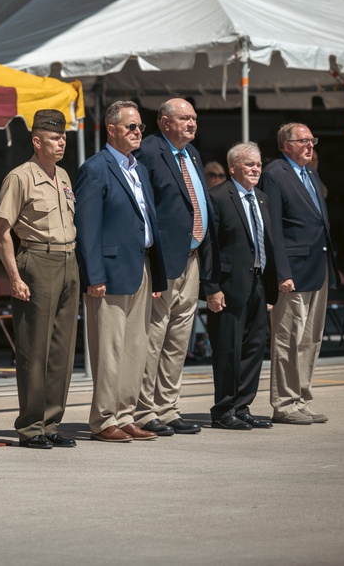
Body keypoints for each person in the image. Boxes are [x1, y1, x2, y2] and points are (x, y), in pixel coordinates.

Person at [75, 101, 166, 443]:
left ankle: (126, 413)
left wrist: (155, 273)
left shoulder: (139, 169)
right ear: (111, 130)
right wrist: (93, 275)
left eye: (140, 126)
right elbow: (87, 226)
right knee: (109, 349)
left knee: (135, 347)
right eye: (131, 127)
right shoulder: (96, 168)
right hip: (109, 271)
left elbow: (148, 221)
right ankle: (103, 419)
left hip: (140, 264)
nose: (138, 132)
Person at [0, 109, 80, 449]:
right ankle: (31, 426)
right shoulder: (20, 177)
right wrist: (14, 275)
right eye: (55, 137)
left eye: (63, 137)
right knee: (34, 348)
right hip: (37, 259)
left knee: (62, 349)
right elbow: (2, 232)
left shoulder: (63, 177)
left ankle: (51, 422)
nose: (61, 142)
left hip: (68, 259)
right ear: (36, 141)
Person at [133, 98, 209, 437]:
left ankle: (168, 406)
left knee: (179, 338)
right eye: (184, 118)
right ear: (164, 123)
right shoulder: (149, 152)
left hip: (191, 257)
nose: (192, 123)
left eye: (194, 118)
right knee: (154, 336)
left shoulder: (192, 154)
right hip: (162, 261)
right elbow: (145, 208)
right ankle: (144, 409)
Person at [259, 123, 336, 425]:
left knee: (310, 338)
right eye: (302, 141)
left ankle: (301, 397)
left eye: (312, 140)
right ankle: (285, 402)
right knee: (288, 337)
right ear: (285, 144)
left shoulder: (311, 174)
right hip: (292, 270)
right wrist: (281, 271)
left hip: (317, 266)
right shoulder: (275, 173)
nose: (310, 145)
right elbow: (273, 227)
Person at [202, 142, 282, 430]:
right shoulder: (219, 197)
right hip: (228, 286)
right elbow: (210, 246)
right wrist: (211, 287)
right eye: (249, 164)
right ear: (233, 167)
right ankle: (224, 410)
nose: (255, 169)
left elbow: (269, 244)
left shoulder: (261, 198)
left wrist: (270, 288)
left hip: (259, 284)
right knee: (227, 349)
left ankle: (242, 405)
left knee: (253, 348)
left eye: (258, 164)